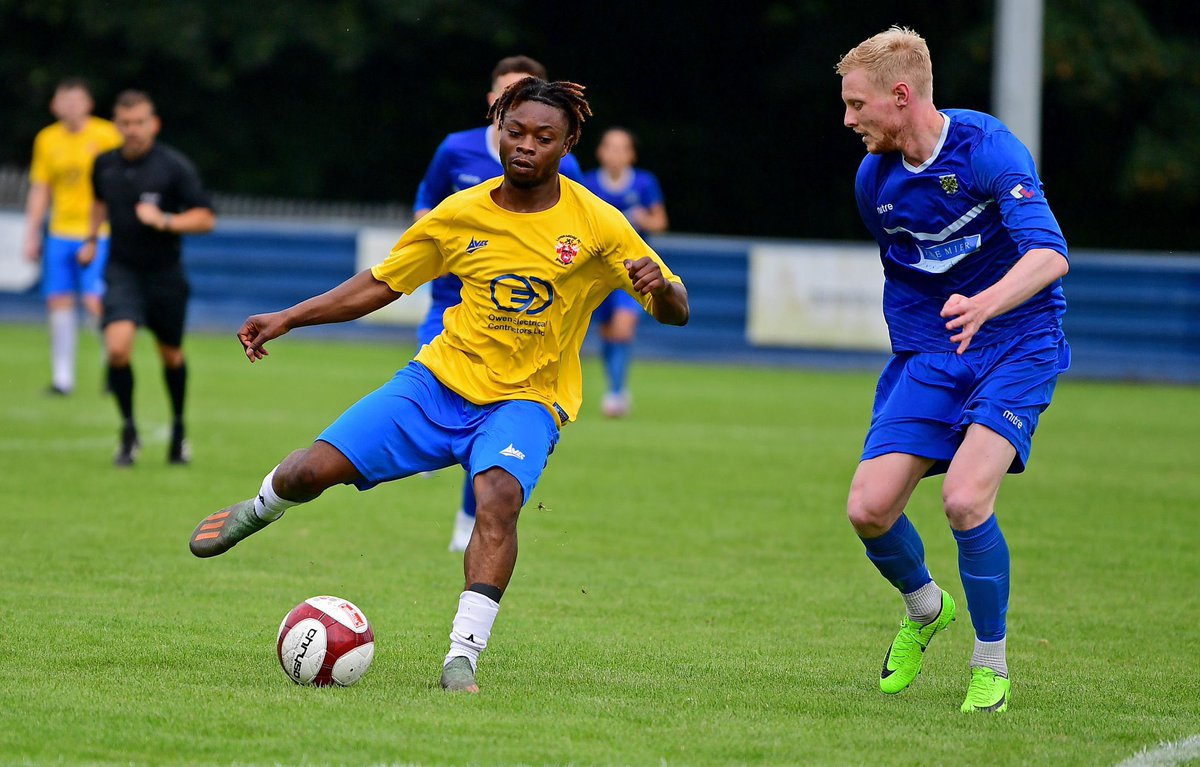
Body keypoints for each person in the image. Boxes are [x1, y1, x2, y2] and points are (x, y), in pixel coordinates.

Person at [187, 78, 689, 695]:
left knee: (498, 498)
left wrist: (663, 289)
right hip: (437, 384)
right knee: (307, 473)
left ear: (567, 145)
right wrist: (289, 317)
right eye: (515, 132)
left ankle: (461, 658)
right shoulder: (460, 213)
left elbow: (675, 309)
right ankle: (258, 509)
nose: (525, 146)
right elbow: (381, 283)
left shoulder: (599, 224)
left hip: (528, 399)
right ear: (498, 129)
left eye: (543, 137)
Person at [836, 26, 1070, 714]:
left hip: (1018, 342)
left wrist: (987, 303)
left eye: (857, 104)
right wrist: (923, 347)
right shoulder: (874, 180)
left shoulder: (987, 148)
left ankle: (991, 664)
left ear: (900, 95)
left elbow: (1050, 255)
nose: (848, 119)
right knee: (869, 508)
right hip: (935, 353)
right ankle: (925, 606)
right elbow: (909, 275)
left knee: (966, 499)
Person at [413, 55, 586, 552]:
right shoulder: (456, 149)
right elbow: (425, 204)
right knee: (438, 387)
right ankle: (423, 443)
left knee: (492, 422)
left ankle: (468, 517)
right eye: (507, 93)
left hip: (523, 320)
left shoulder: (562, 166)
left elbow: (587, 235)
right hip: (451, 303)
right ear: (494, 101)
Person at [82, 90, 216, 467]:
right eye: (125, 123)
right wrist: (91, 239)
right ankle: (128, 432)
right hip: (122, 270)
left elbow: (206, 218)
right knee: (118, 348)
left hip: (165, 275)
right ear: (116, 125)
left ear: (153, 124)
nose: (132, 130)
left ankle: (178, 429)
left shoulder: (174, 167)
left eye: (139, 122)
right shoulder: (104, 164)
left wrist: (166, 220)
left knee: (171, 355)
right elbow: (98, 202)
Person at [22, 78, 124, 396]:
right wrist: (31, 233)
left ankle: (114, 366)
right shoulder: (47, 139)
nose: (71, 106)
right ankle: (62, 379)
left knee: (95, 302)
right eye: (64, 100)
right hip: (60, 232)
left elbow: (121, 182)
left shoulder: (106, 135)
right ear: (54, 105)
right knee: (58, 302)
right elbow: (41, 187)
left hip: (97, 233)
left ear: (89, 104)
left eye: (77, 100)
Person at [581, 127, 669, 418]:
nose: (615, 154)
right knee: (607, 331)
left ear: (631, 155)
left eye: (622, 148)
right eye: (610, 147)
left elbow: (660, 222)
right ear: (600, 152)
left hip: (634, 271)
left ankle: (616, 394)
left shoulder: (644, 183)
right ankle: (615, 384)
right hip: (598, 272)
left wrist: (645, 219)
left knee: (623, 328)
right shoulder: (588, 183)